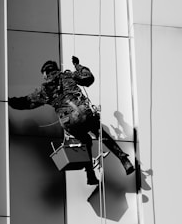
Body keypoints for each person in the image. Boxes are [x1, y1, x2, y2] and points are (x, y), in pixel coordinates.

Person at [8, 57, 135, 185]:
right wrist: (77, 65)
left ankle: (90, 174)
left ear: (46, 73)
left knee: (86, 140)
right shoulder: (68, 76)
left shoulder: (44, 90)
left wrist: (9, 101)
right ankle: (123, 159)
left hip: (68, 122)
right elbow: (88, 78)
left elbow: (26, 102)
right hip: (82, 113)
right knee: (100, 134)